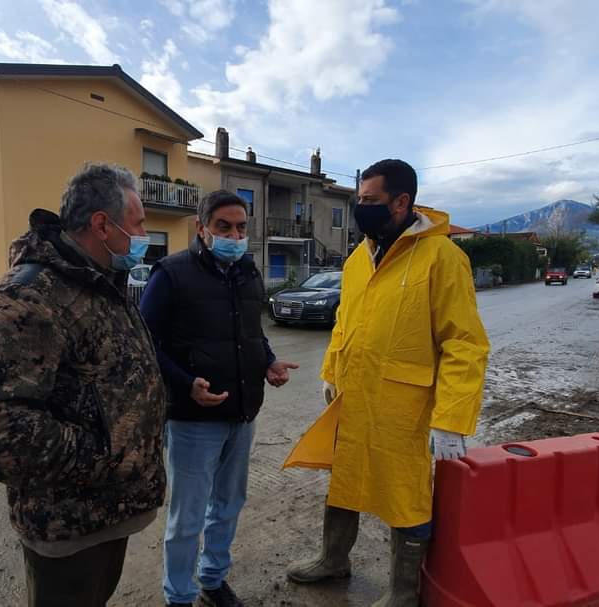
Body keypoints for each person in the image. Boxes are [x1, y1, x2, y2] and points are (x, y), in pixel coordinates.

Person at [0, 164, 167, 607]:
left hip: (109, 512)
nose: (145, 233)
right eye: (139, 223)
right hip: (69, 525)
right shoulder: (31, 295)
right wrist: (105, 459)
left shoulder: (99, 283)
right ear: (101, 225)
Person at [284, 159, 489, 606]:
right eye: (359, 200)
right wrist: (331, 372)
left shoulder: (443, 257)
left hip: (406, 405)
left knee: (405, 495)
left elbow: (465, 343)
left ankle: (403, 592)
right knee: (345, 479)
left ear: (402, 201)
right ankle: (333, 559)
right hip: (353, 396)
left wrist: (452, 418)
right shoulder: (360, 258)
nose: (361, 209)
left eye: (370, 201)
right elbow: (346, 321)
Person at [140, 190, 299, 607]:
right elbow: (144, 343)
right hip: (192, 420)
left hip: (242, 414)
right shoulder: (171, 273)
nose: (235, 234)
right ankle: (179, 596)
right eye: (224, 227)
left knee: (228, 505)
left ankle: (212, 580)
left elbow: (253, 334)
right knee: (187, 518)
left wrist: (269, 362)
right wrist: (184, 382)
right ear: (202, 228)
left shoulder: (248, 272)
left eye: (242, 227)